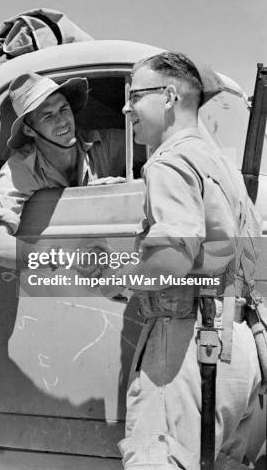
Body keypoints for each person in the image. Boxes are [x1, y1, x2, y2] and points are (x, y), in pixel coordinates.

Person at [113, 51, 264, 469]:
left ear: (168, 96)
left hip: (186, 348)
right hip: (237, 350)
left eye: (134, 96)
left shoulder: (168, 161)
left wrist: (118, 279)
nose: (126, 108)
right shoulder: (221, 165)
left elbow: (172, 261)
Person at [0, 71, 128, 269]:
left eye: (64, 109)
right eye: (48, 116)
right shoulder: (20, 170)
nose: (62, 121)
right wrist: (70, 258)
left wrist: (125, 186)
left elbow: (160, 151)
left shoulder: (105, 144)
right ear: (29, 130)